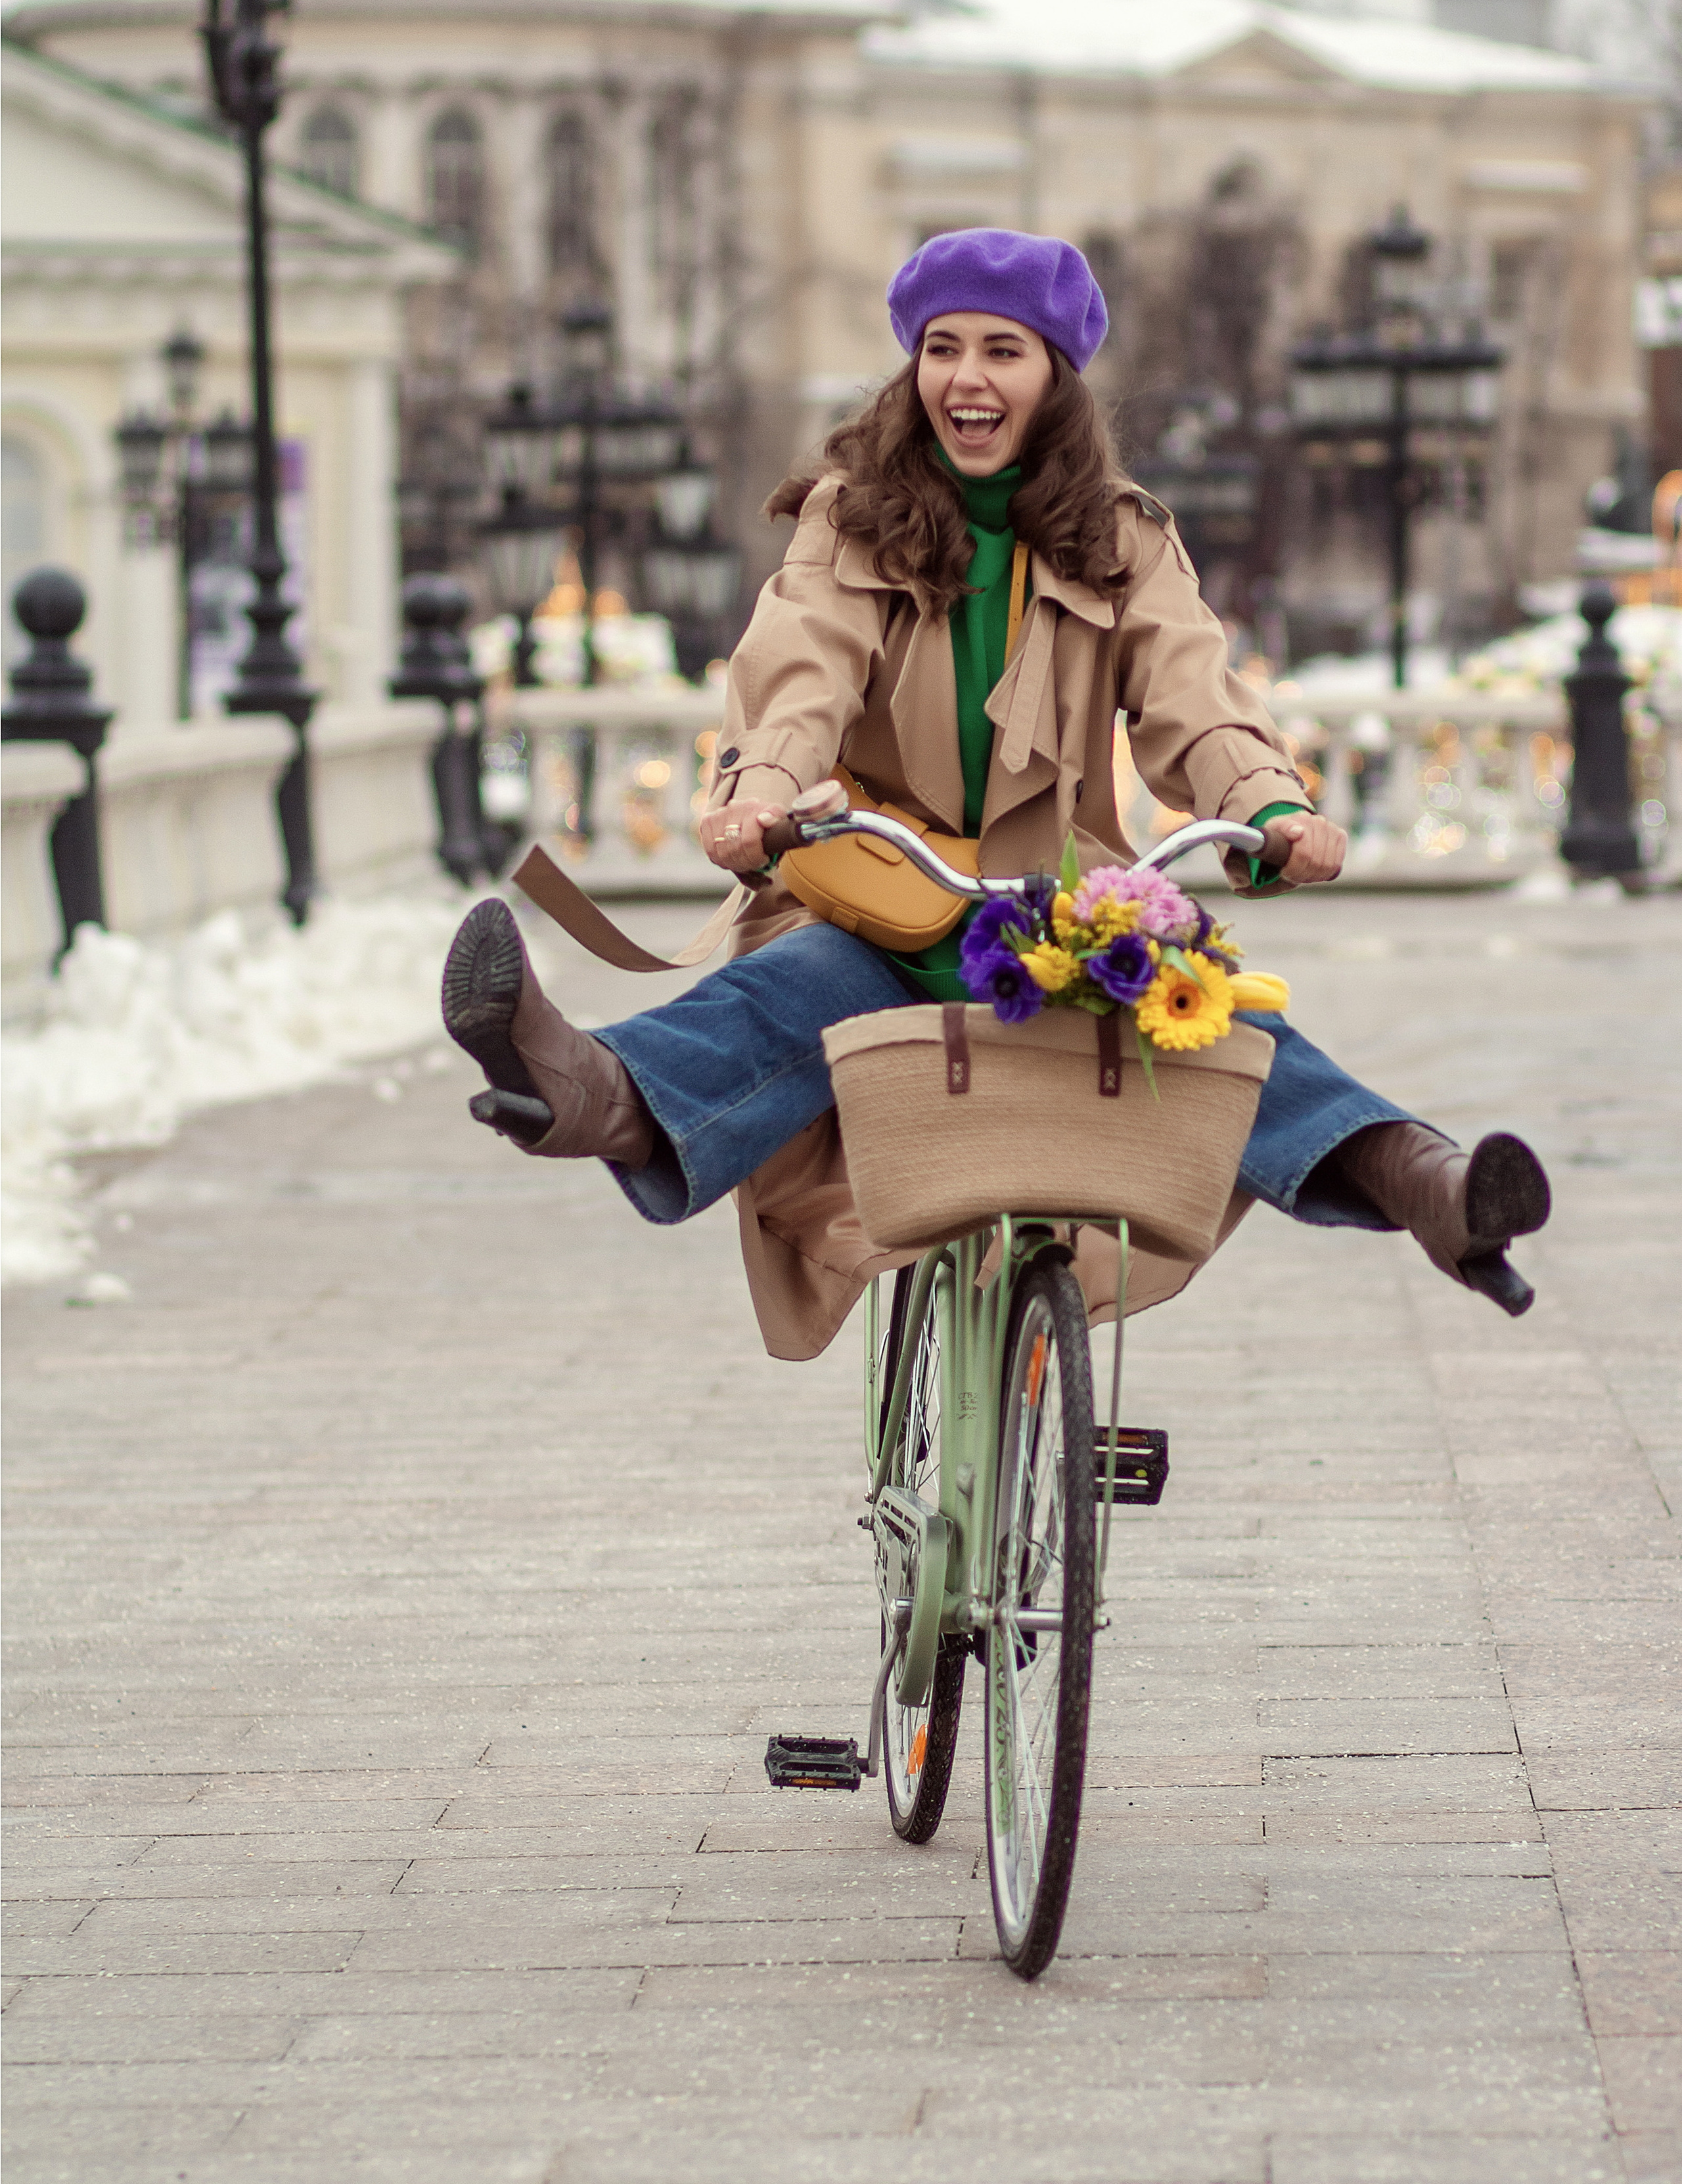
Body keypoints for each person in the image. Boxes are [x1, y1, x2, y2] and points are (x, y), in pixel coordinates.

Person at [442, 229, 1550, 1360]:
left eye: (1002, 351)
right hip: (879, 890)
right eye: (944, 348)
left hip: (1046, 908)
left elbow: (1195, 696)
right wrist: (762, 791)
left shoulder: (1124, 537)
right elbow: (800, 669)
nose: (966, 379)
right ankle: (583, 1088)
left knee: (1214, 1016)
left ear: (1055, 376)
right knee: (802, 988)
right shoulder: (850, 518)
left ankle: (1433, 1188)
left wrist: (1271, 807)